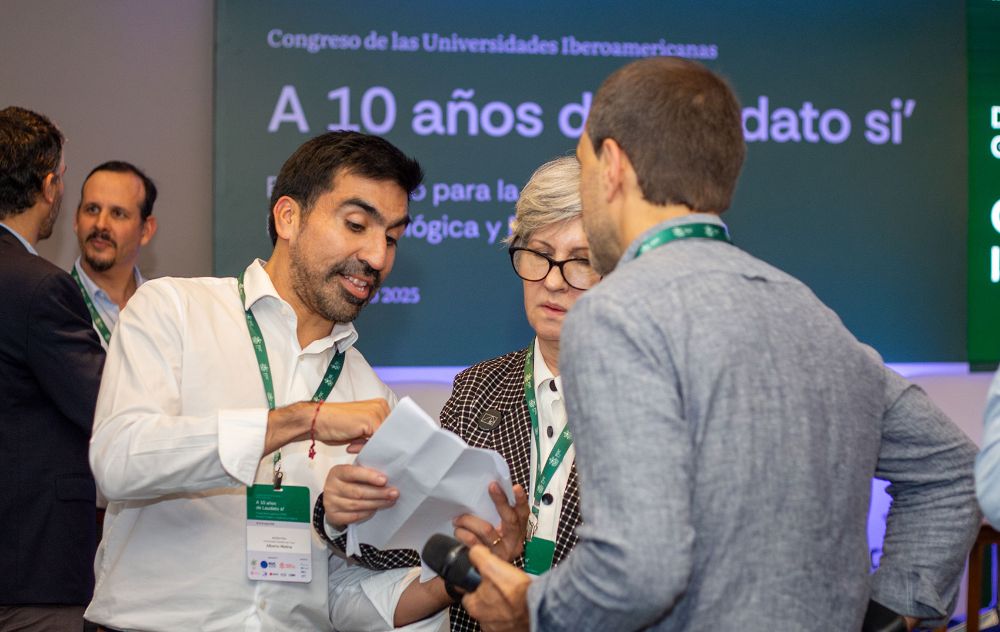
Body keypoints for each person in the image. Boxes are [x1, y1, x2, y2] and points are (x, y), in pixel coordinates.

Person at [462, 57, 981, 631]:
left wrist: (531, 610)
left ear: (612, 167)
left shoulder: (617, 315)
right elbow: (953, 469)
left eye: (585, 166)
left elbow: (640, 568)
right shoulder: (813, 316)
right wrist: (887, 615)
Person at [85, 131, 423, 631]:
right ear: (288, 218)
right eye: (356, 225)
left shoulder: (372, 397)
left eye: (391, 238)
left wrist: (452, 583)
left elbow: (336, 591)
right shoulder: (174, 310)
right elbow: (117, 460)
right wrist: (299, 420)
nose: (377, 257)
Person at [316, 156, 597, 632]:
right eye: (539, 254)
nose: (552, 280)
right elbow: (417, 544)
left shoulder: (654, 405)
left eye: (581, 261)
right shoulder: (478, 388)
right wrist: (344, 515)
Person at [0, 106, 106, 630]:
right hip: (32, 569)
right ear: (48, 185)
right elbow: (105, 403)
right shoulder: (40, 286)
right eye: (62, 177)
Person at [71, 160, 158, 348]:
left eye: (118, 213)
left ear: (146, 230)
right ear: (76, 219)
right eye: (92, 209)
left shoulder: (161, 306)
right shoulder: (55, 304)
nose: (100, 224)